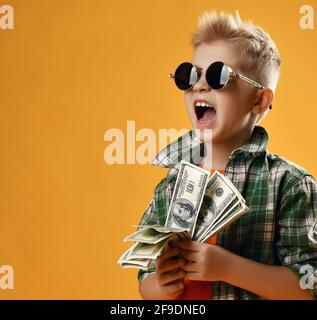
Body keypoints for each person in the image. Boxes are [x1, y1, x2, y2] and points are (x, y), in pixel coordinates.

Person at [137, 10, 317, 300]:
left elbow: (308, 287)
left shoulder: (290, 184)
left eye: (218, 75)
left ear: (259, 100)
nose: (199, 85)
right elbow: (145, 280)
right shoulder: (170, 186)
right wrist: (162, 284)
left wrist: (229, 268)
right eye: (189, 75)